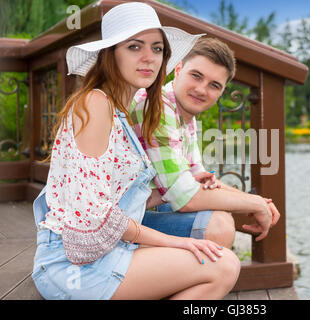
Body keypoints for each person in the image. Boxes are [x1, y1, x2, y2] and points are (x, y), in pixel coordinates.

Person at [31, 2, 241, 300]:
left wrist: (187, 184)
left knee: (216, 252)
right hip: (73, 265)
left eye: (157, 49)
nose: (148, 58)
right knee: (223, 265)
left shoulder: (121, 111)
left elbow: (116, 196)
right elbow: (94, 213)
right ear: (110, 53)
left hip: (107, 248)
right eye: (134, 46)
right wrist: (173, 243)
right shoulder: (95, 104)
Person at [131, 37, 280, 250]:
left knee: (216, 211)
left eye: (214, 85)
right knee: (218, 226)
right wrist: (254, 204)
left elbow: (199, 178)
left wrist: (257, 201)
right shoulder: (155, 107)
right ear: (178, 68)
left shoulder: (185, 115)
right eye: (196, 76)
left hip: (142, 211)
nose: (201, 90)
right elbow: (185, 198)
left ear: (221, 92)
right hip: (116, 223)